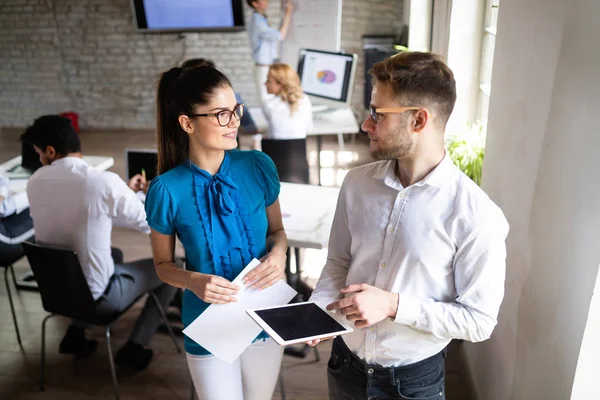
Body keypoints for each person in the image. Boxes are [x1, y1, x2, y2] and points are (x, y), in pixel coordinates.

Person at [308, 52, 509, 400]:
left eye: (377, 114)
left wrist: (393, 305)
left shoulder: (475, 214)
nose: (365, 125)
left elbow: (479, 321)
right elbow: (338, 262)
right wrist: (319, 310)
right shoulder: (356, 183)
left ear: (419, 120)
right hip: (344, 365)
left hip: (413, 384)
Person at [146, 65, 288, 400]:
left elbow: (278, 231)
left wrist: (279, 254)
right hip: (206, 324)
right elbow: (162, 267)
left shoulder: (257, 165)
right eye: (222, 114)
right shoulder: (166, 189)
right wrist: (193, 280)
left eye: (235, 109)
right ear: (187, 123)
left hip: (264, 310)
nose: (235, 121)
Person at [23, 115, 177, 370]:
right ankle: (136, 347)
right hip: (99, 298)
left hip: (56, 293)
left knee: (114, 254)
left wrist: (123, 193)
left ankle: (76, 333)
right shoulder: (101, 182)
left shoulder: (35, 181)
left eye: (39, 152)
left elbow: (80, 210)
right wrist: (141, 195)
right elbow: (148, 223)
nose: (40, 158)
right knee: (172, 268)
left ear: (51, 151)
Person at [261, 63, 313, 183]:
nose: (265, 84)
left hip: (274, 165)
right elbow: (308, 129)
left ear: (280, 84)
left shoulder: (268, 103)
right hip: (300, 168)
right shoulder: (305, 99)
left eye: (269, 81)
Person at [181, 58, 259, 137]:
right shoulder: (178, 106)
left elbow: (251, 128)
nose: (235, 123)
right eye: (222, 114)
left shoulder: (233, 98)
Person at [247, 0, 294, 101]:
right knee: (266, 100)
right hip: (263, 67)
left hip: (267, 66)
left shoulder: (260, 18)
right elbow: (279, 36)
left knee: (272, 98)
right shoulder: (257, 20)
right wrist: (288, 14)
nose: (266, 1)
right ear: (254, 3)